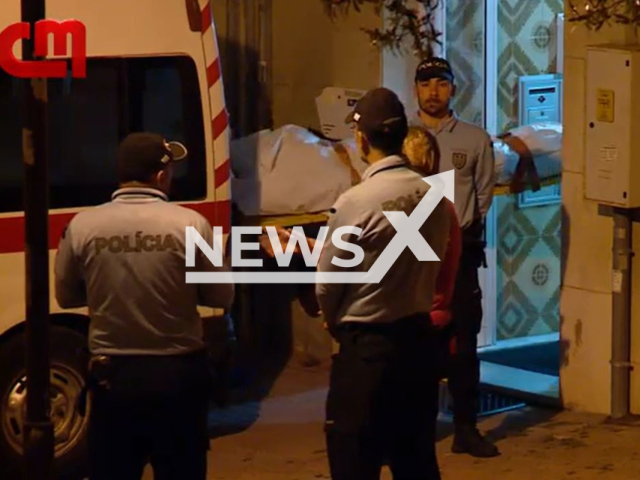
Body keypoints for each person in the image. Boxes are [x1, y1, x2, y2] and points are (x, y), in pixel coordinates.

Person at [54, 132, 234, 480]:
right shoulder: (192, 224)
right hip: (178, 378)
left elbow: (67, 296)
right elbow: (220, 296)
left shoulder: (81, 226)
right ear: (161, 176)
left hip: (113, 380)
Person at [316, 87, 451, 480]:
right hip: (417, 345)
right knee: (416, 460)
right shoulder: (432, 197)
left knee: (355, 459)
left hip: (366, 353)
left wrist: (334, 321)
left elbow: (328, 283)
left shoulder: (356, 202)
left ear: (361, 138)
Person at [413, 57, 498, 457]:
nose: (434, 91)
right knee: (417, 346)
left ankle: (466, 428)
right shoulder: (403, 139)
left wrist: (462, 237)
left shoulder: (474, 139)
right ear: (416, 89)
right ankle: (417, 429)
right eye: (426, 83)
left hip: (459, 253)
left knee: (464, 345)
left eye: (441, 83)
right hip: (411, 254)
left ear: (453, 89)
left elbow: (482, 197)